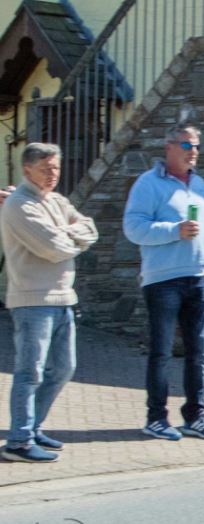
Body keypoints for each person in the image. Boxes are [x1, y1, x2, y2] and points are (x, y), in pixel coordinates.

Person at [123, 124, 204, 441]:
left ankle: (195, 417)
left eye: (197, 146)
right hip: (163, 280)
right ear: (168, 147)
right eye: (186, 145)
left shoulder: (201, 185)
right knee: (162, 352)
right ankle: (156, 419)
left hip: (197, 278)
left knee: (199, 352)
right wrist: (174, 231)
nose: (193, 151)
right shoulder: (148, 184)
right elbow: (133, 228)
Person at [0, 144, 97, 462]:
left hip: (63, 298)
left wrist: (68, 233)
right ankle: (18, 441)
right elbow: (53, 249)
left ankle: (32, 427)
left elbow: (91, 228)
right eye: (46, 168)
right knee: (30, 372)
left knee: (64, 368)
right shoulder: (18, 204)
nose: (53, 174)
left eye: (56, 167)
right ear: (27, 169)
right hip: (32, 301)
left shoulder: (56, 200)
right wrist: (72, 235)